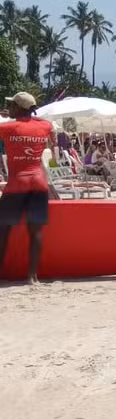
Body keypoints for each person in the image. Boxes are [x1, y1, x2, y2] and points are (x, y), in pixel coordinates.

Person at [0, 92, 57, 284]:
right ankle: (32, 277)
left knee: (2, 228)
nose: (9, 109)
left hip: (17, 184)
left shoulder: (8, 127)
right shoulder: (44, 125)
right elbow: (47, 125)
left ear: (18, 108)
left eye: (11, 106)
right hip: (39, 184)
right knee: (36, 231)